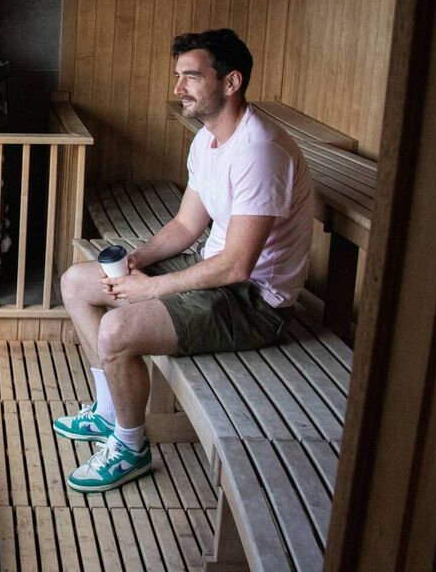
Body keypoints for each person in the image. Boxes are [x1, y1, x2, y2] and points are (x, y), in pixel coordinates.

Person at [53, 28, 314, 493]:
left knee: (118, 328)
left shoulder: (259, 151)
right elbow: (186, 227)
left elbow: (237, 265)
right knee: (77, 282)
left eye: (191, 77)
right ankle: (110, 410)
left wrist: (150, 289)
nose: (178, 89)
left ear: (230, 83)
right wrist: (139, 259)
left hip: (254, 303)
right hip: (216, 275)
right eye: (178, 77)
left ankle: (131, 447)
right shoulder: (208, 140)